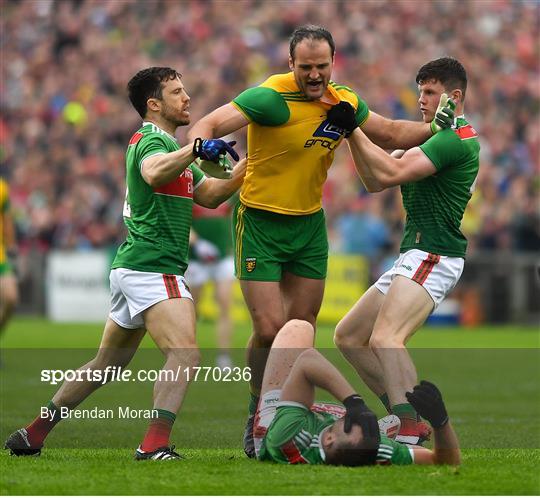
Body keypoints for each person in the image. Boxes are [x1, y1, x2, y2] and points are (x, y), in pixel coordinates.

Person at [187, 24, 455, 457]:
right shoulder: (270, 98)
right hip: (260, 222)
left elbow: (388, 133)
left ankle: (293, 414)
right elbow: (211, 121)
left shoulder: (341, 99)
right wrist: (205, 143)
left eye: (322, 66)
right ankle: (259, 411)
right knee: (270, 329)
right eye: (306, 67)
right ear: (291, 64)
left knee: (303, 329)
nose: (315, 75)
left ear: (334, 63)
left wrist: (438, 127)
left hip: (309, 226)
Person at [4, 67, 245, 460]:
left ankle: (34, 432)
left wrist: (251, 167)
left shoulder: (171, 147)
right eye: (177, 92)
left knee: (106, 365)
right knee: (185, 353)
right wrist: (196, 148)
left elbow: (212, 195)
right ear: (154, 104)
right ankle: (153, 446)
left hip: (134, 266)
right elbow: (152, 173)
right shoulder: (151, 141)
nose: (187, 98)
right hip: (153, 266)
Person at [334, 57, 479, 444]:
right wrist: (352, 136)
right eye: (420, 92)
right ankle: (406, 416)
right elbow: (374, 180)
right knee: (349, 336)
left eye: (430, 92)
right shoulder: (431, 136)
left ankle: (413, 425)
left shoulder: (455, 139)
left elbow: (390, 173)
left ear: (455, 96)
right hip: (414, 254)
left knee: (385, 338)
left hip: (435, 253)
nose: (422, 100)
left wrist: (354, 128)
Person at [255, 319, 460, 466]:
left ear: (328, 439)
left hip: (272, 423)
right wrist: (441, 422)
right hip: (340, 433)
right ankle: (390, 430)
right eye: (371, 430)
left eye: (356, 423)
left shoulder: (289, 436)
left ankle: (252, 417)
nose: (363, 422)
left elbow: (307, 361)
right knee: (394, 423)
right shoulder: (376, 450)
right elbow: (444, 461)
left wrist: (354, 402)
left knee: (298, 328)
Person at [186, 199, 236, 369]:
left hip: (222, 257)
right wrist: (198, 243)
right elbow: (183, 223)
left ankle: (224, 356)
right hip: (197, 259)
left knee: (224, 304)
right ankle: (188, 354)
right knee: (193, 309)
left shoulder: (226, 191)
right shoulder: (192, 194)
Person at [0, 177, 19, 335]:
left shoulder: (2, 187)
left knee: (11, 298)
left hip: (0, 256)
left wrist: (11, 244)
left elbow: (6, 220)